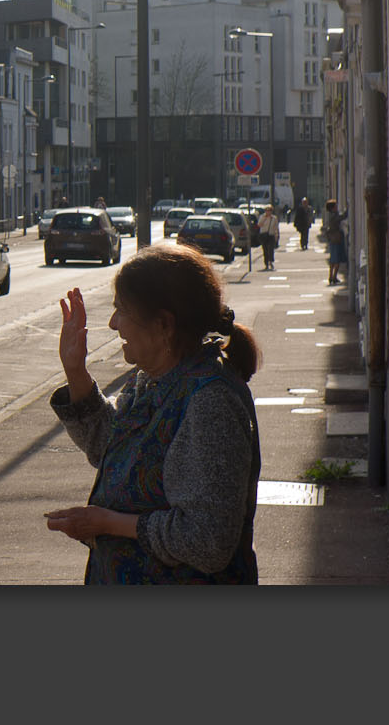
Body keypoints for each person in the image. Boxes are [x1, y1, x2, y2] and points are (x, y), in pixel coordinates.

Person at [43, 242, 262, 583]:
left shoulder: (211, 402)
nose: (114, 323)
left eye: (122, 311)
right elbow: (109, 448)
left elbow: (209, 541)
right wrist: (75, 371)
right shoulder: (154, 379)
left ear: (164, 324)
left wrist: (107, 522)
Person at [322, 199, 347, 285]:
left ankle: (331, 276)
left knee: (333, 259)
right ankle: (333, 277)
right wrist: (348, 209)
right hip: (336, 238)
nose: (337, 207)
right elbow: (342, 217)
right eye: (335, 206)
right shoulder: (334, 216)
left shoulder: (330, 216)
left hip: (332, 239)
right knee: (336, 260)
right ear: (332, 208)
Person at [255, 204, 279, 270]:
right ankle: (266, 263)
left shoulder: (274, 218)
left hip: (271, 235)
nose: (268, 212)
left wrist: (276, 235)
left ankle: (270, 261)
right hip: (263, 235)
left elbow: (276, 227)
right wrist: (264, 218)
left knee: (271, 249)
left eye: (270, 210)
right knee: (265, 250)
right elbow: (259, 225)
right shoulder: (262, 217)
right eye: (267, 210)